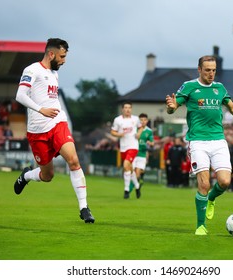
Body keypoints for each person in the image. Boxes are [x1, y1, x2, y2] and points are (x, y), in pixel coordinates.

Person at [165, 55, 233, 235]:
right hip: (198, 141)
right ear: (199, 70)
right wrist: (170, 106)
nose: (211, 74)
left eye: (214, 70)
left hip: (218, 141)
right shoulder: (189, 86)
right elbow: (173, 107)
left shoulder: (219, 88)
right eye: (207, 70)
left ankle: (211, 199)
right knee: (204, 184)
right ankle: (201, 226)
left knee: (224, 181)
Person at [13, 38, 94, 223]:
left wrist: (51, 112)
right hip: (37, 131)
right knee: (47, 176)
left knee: (73, 160)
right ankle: (26, 176)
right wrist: (41, 109)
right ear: (51, 54)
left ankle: (84, 208)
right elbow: (20, 95)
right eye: (62, 56)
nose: (64, 61)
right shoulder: (32, 70)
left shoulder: (54, 74)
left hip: (57, 123)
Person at [110, 101, 143, 199]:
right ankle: (137, 186)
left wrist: (138, 134)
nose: (128, 109)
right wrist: (118, 134)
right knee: (129, 169)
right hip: (123, 147)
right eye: (126, 107)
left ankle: (126, 190)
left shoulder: (135, 119)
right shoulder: (118, 120)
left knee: (125, 165)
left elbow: (141, 127)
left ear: (131, 109)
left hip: (133, 146)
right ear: (122, 109)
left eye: (129, 108)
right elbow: (112, 131)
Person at [129, 113, 154, 198]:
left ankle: (129, 190)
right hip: (133, 153)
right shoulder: (135, 129)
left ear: (147, 121)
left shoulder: (149, 131)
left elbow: (152, 143)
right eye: (141, 120)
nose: (143, 122)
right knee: (132, 173)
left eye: (144, 120)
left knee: (137, 173)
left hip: (142, 154)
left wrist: (149, 143)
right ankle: (137, 186)